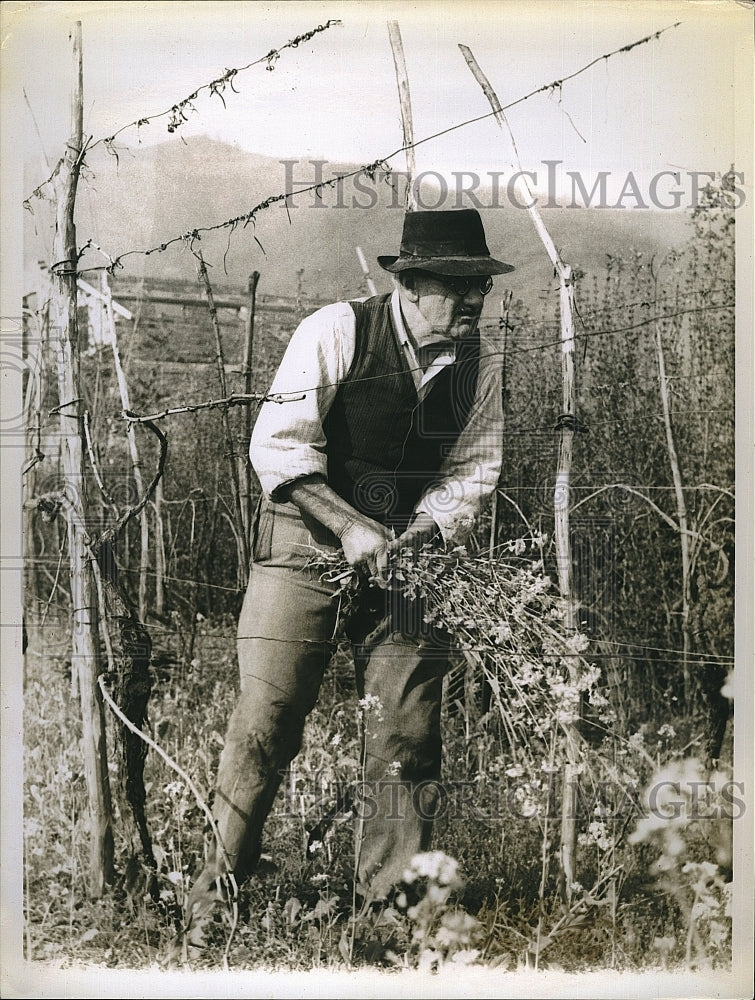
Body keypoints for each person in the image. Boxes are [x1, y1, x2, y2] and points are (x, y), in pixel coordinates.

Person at [182, 207, 513, 949]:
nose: (470, 304)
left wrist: (417, 536)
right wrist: (353, 529)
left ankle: (396, 918)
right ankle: (214, 899)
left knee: (408, 736)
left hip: (407, 555)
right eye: (455, 288)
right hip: (307, 542)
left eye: (480, 290)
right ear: (411, 281)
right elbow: (280, 449)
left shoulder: (478, 363)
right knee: (264, 725)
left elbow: (472, 469)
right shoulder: (336, 331)